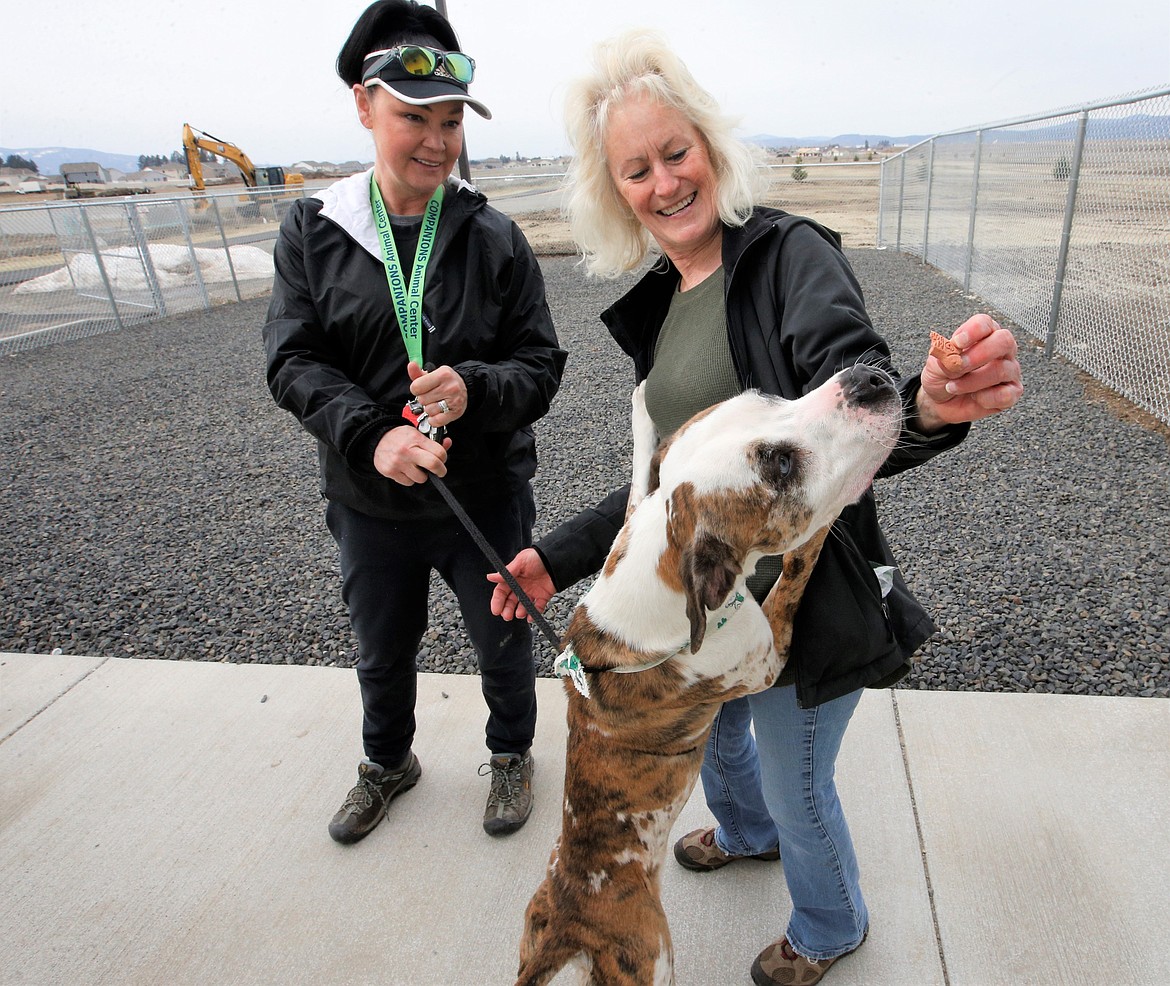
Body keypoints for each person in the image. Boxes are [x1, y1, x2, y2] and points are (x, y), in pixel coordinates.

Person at [489, 29, 1022, 985]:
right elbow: (668, 490)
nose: (665, 182)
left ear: (711, 146)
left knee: (797, 777)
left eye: (677, 152)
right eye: (637, 169)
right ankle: (744, 834)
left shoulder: (785, 256)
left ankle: (830, 925)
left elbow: (840, 407)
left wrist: (928, 405)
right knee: (720, 739)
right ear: (616, 191)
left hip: (805, 611)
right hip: (712, 602)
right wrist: (555, 556)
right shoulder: (664, 300)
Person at [264, 0, 566, 845]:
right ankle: (387, 762)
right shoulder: (314, 229)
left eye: (450, 122)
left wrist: (474, 389)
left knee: (504, 644)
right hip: (370, 501)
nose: (436, 141)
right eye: (412, 119)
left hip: (484, 494)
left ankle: (512, 755)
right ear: (364, 108)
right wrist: (371, 434)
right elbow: (292, 361)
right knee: (380, 651)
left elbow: (540, 365)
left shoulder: (494, 236)